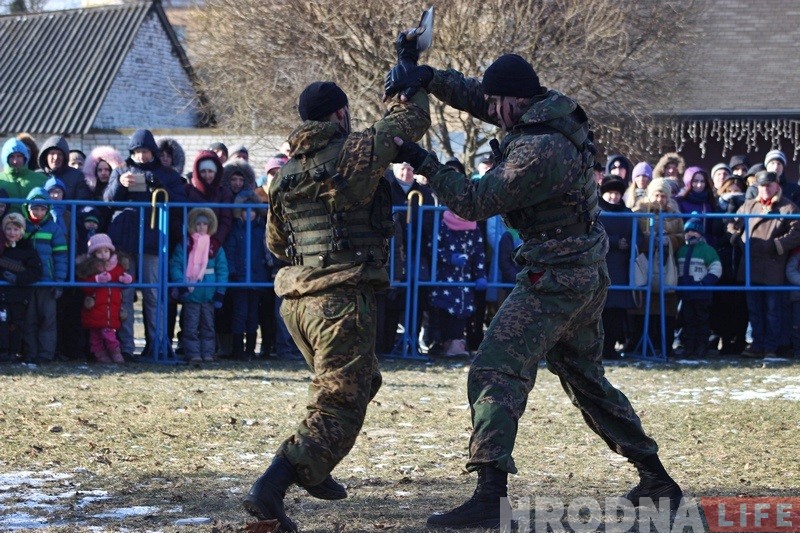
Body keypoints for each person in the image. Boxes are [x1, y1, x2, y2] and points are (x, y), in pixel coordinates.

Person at [383, 52, 683, 529]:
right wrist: (430, 77)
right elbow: (481, 99)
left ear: (516, 101)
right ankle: (657, 480)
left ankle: (489, 495)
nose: (488, 108)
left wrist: (423, 161)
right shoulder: (551, 110)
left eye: (496, 101)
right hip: (582, 271)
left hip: (556, 277)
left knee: (494, 370)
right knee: (587, 381)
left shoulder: (538, 150)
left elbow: (473, 201)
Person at [242, 37, 431, 530]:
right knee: (339, 399)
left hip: (298, 303)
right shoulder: (357, 150)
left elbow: (278, 245)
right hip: (341, 302)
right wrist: (408, 74)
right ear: (341, 115)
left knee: (359, 382)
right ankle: (273, 486)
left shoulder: (283, 176)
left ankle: (315, 464)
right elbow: (409, 123)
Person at [104, 128, 187, 359]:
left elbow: (179, 202)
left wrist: (157, 184)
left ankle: (157, 345)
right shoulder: (121, 170)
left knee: (154, 294)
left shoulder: (168, 174)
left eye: (146, 151)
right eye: (138, 151)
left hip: (154, 241)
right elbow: (108, 201)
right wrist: (120, 183)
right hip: (124, 241)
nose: (142, 156)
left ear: (153, 152)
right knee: (126, 294)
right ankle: (127, 347)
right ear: (132, 152)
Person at [729, 170, 800, 358]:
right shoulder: (749, 205)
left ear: (777, 185)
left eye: (768, 185)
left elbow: (797, 232)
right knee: (754, 308)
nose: (765, 189)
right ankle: (757, 344)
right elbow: (732, 222)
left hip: (773, 265)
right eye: (761, 186)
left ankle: (770, 347)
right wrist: (738, 238)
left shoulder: (788, 208)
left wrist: (777, 245)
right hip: (751, 263)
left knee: (772, 310)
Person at [632, 178, 684, 358]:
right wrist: (648, 239)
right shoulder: (639, 212)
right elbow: (634, 235)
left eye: (663, 196)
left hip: (666, 264)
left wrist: (670, 240)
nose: (659, 199)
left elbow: (681, 237)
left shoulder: (674, 214)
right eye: (656, 194)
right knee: (641, 304)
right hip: (644, 263)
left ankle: (664, 346)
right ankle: (638, 345)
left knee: (667, 305)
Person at [169, 208, 228, 363]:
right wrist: (181, 283)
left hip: (209, 291)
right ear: (193, 225)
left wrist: (220, 291)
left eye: (205, 224)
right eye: (198, 224)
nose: (201, 227)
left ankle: (208, 353)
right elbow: (176, 264)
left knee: (208, 326)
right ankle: (193, 353)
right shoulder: (185, 244)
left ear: (210, 226)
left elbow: (222, 269)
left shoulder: (215, 246)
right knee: (190, 326)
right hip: (191, 291)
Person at [428, 208, 487, 357]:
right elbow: (432, 248)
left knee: (463, 314)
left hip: (464, 284)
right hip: (444, 280)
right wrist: (449, 258)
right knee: (443, 312)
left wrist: (481, 276)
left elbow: (479, 255)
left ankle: (458, 343)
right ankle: (443, 344)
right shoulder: (441, 226)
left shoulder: (474, 230)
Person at [22, 188, 68, 364]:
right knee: (29, 320)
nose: (38, 212)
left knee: (48, 320)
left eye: (42, 209)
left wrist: (59, 282)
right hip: (26, 282)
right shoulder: (22, 226)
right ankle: (30, 353)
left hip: (47, 281)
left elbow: (61, 257)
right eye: (35, 208)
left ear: (47, 209)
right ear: (27, 208)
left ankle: (46, 354)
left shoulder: (54, 229)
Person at [223, 191, 270, 360]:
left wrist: (267, 267)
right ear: (240, 213)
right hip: (240, 279)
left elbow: (267, 252)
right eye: (245, 211)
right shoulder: (236, 230)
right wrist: (233, 271)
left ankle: (250, 349)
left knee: (253, 315)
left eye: (252, 211)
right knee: (239, 314)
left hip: (257, 278)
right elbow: (230, 252)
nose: (249, 214)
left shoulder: (261, 230)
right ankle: (237, 349)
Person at [76, 233, 134, 364]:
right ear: (93, 254)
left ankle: (116, 354)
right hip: (95, 309)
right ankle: (101, 357)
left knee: (109, 335)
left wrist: (127, 279)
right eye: (99, 251)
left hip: (110, 309)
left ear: (111, 251)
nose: (103, 254)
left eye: (106, 251)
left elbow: (123, 279)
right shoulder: (90, 267)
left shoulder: (116, 266)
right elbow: (85, 286)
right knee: (95, 337)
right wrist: (96, 279)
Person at [598, 177, 635, 359]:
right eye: (610, 193)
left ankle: (611, 347)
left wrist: (630, 243)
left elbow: (639, 235)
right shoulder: (596, 212)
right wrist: (614, 242)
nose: (613, 196)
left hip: (622, 268)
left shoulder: (628, 213)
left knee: (617, 312)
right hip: (601, 266)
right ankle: (599, 349)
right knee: (600, 311)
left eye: (617, 193)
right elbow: (593, 234)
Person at [0, 213, 42, 363]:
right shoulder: (2, 249)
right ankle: (3, 352)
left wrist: (18, 279)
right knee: (2, 322)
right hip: (2, 295)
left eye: (16, 229)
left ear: (22, 231)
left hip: (19, 295)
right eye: (9, 229)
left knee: (16, 324)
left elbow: (35, 271)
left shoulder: (27, 250)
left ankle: (14, 352)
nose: (12, 233)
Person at [676, 218, 721, 357]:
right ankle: (689, 347)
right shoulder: (682, 250)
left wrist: (705, 283)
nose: (691, 234)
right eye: (688, 231)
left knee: (702, 321)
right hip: (686, 294)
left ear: (701, 234)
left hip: (702, 293)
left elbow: (716, 268)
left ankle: (702, 347)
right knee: (687, 321)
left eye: (694, 231)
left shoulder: (707, 250)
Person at [37, 136, 92, 202]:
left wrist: (67, 211)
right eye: (52, 153)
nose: (56, 157)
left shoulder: (77, 176)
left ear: (65, 157)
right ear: (45, 156)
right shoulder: (37, 176)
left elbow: (82, 202)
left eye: (60, 154)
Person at [0, 138, 47, 208]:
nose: (15, 161)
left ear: (25, 157)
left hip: (33, 218)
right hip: (5, 218)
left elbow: (50, 206)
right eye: (12, 157)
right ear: (5, 158)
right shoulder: (1, 180)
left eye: (19, 156)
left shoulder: (41, 180)